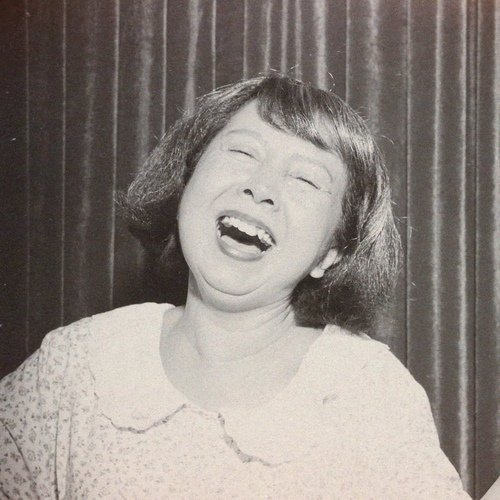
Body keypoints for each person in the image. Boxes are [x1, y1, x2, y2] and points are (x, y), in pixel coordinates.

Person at [0, 74, 470, 498]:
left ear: (331, 253)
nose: (261, 187)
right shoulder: (75, 365)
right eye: (243, 152)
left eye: (306, 179)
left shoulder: (367, 393)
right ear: (186, 182)